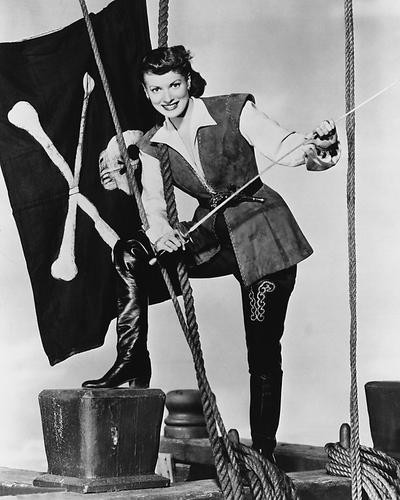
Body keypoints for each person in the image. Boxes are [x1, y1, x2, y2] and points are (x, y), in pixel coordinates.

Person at [83, 45, 340, 462]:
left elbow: (287, 148)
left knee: (262, 350)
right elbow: (154, 207)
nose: (167, 97)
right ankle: (131, 358)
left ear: (188, 82)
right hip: (212, 233)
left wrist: (315, 146)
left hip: (263, 235)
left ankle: (263, 453)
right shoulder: (153, 144)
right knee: (130, 254)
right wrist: (162, 235)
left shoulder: (234, 109)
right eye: (156, 89)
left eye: (174, 85)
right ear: (146, 93)